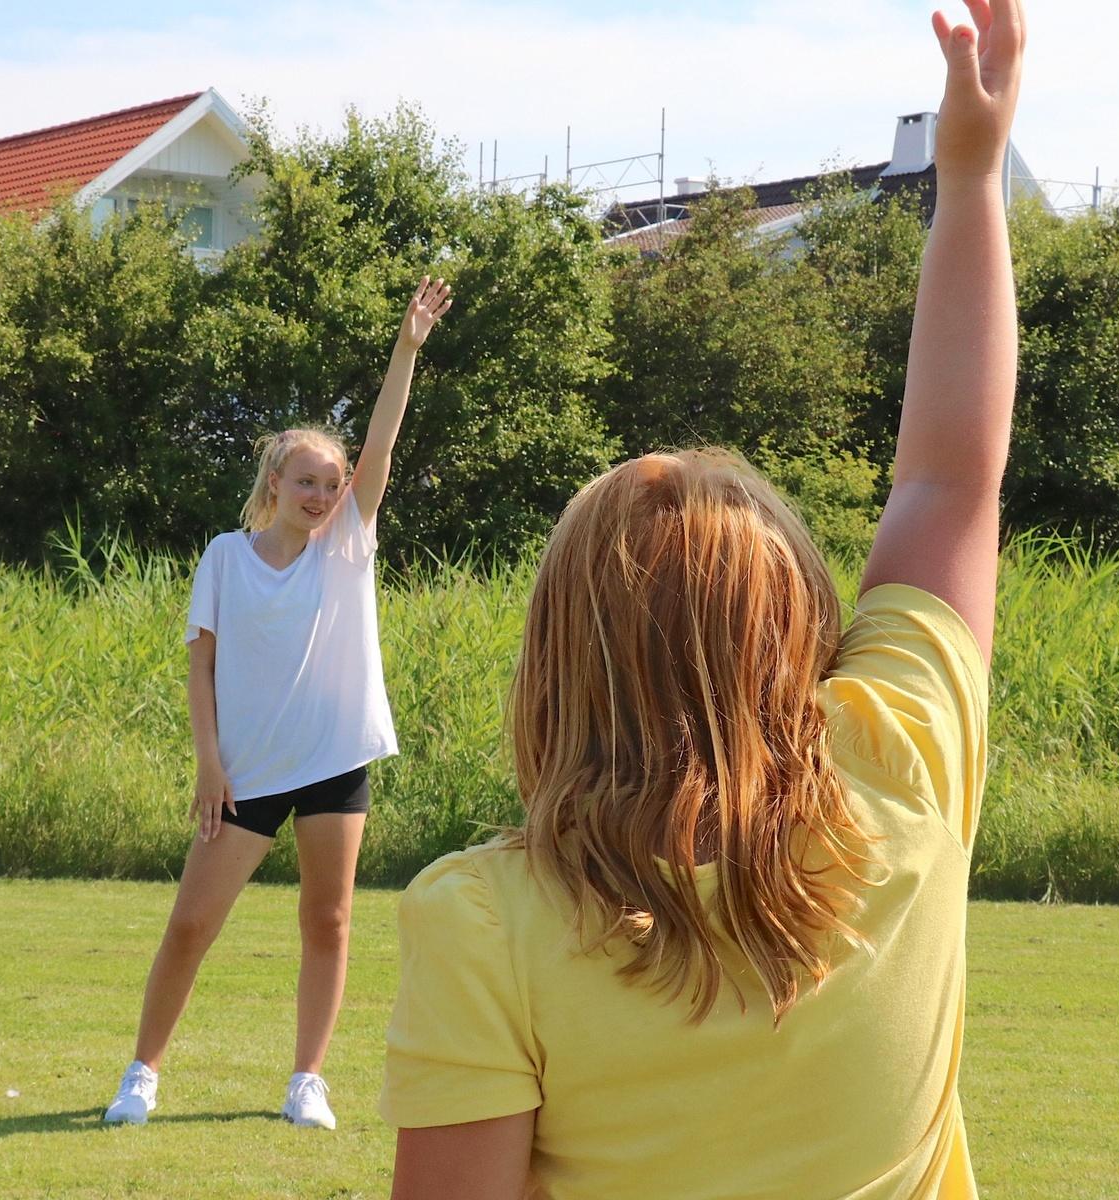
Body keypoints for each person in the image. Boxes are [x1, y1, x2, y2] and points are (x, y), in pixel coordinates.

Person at [380, 2, 1023, 1197]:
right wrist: (971, 174)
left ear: (555, 662)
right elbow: (949, 479)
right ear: (801, 631)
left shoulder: (485, 922)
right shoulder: (903, 763)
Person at [103, 278, 453, 1131]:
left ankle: (307, 1082)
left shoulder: (347, 543)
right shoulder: (224, 556)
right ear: (275, 480)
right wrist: (210, 762)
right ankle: (141, 1075)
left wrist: (405, 349)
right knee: (191, 924)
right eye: (307, 481)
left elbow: (383, 440)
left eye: (332, 484)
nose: (321, 495)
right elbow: (201, 670)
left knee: (328, 920)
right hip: (245, 772)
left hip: (334, 759)